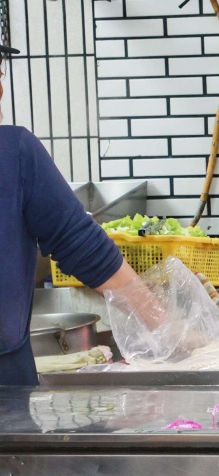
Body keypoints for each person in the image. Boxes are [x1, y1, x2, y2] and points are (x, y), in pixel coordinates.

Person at [0, 44, 143, 386]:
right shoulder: (15, 152)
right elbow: (81, 246)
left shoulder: (13, 153)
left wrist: (165, 325)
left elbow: (81, 245)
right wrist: (168, 326)